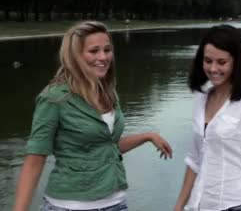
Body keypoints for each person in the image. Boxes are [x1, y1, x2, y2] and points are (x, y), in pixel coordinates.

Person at [13, 21, 173, 211]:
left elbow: (106, 148)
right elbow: (34, 161)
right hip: (70, 206)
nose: (103, 57)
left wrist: (148, 136)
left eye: (107, 50)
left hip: (116, 204)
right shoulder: (53, 99)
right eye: (94, 51)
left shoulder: (109, 93)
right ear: (76, 56)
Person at [174, 25, 241, 211]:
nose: (213, 69)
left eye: (222, 62)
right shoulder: (200, 101)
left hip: (240, 203)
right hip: (200, 204)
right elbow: (194, 160)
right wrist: (179, 206)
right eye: (208, 61)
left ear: (236, 63)